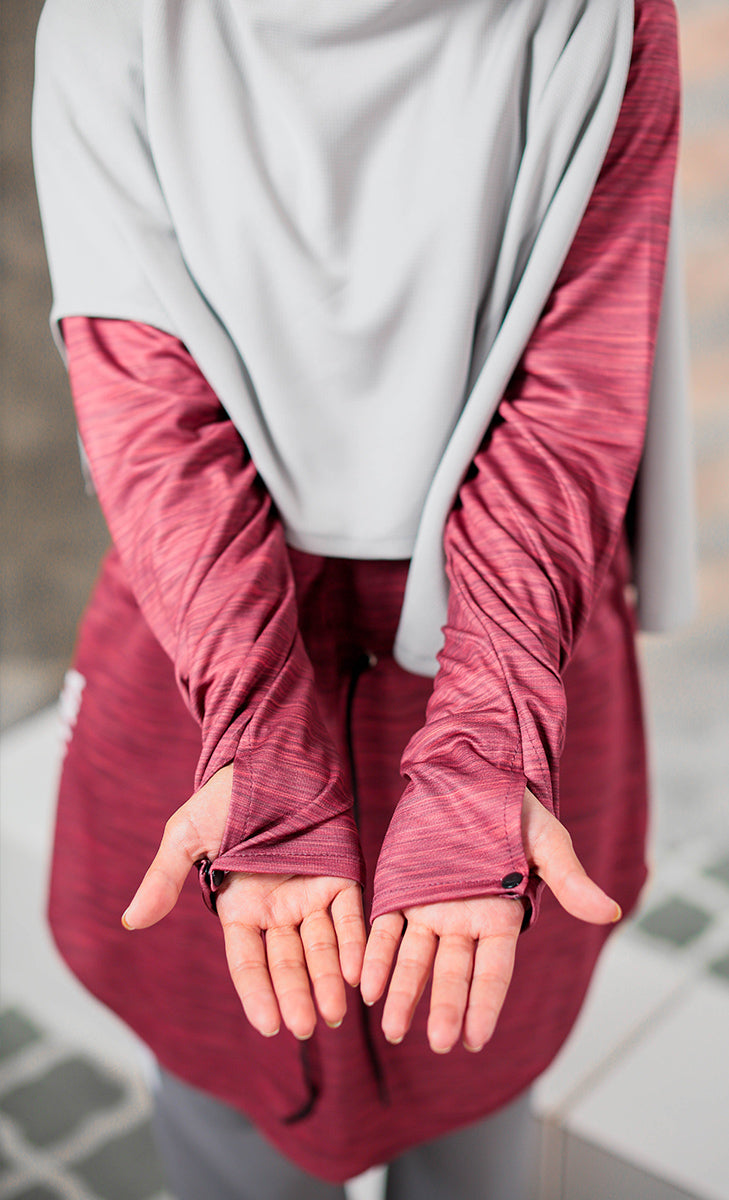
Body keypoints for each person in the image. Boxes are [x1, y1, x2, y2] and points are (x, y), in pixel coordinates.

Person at [32, 0, 692, 1195]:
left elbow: (569, 399)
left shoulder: (606, 18)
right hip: (218, 641)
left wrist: (486, 742)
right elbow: (152, 415)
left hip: (504, 642)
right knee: (227, 1092)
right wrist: (259, 736)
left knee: (476, 1077)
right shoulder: (106, 18)